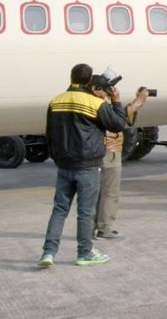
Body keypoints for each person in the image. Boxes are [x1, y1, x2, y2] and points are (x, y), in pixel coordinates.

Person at [38, 64, 130, 268]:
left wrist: (57, 157)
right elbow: (118, 125)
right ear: (89, 81)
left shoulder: (56, 101)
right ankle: (84, 253)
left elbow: (49, 134)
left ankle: (48, 253)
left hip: (64, 165)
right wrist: (115, 102)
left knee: (59, 210)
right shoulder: (95, 103)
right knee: (85, 212)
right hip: (88, 166)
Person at [93, 80, 149, 240]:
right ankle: (104, 229)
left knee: (95, 193)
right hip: (108, 153)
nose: (108, 91)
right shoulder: (99, 106)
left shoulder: (90, 104)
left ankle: (91, 228)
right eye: (105, 88)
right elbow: (119, 120)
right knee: (110, 192)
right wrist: (138, 102)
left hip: (100, 152)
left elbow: (122, 118)